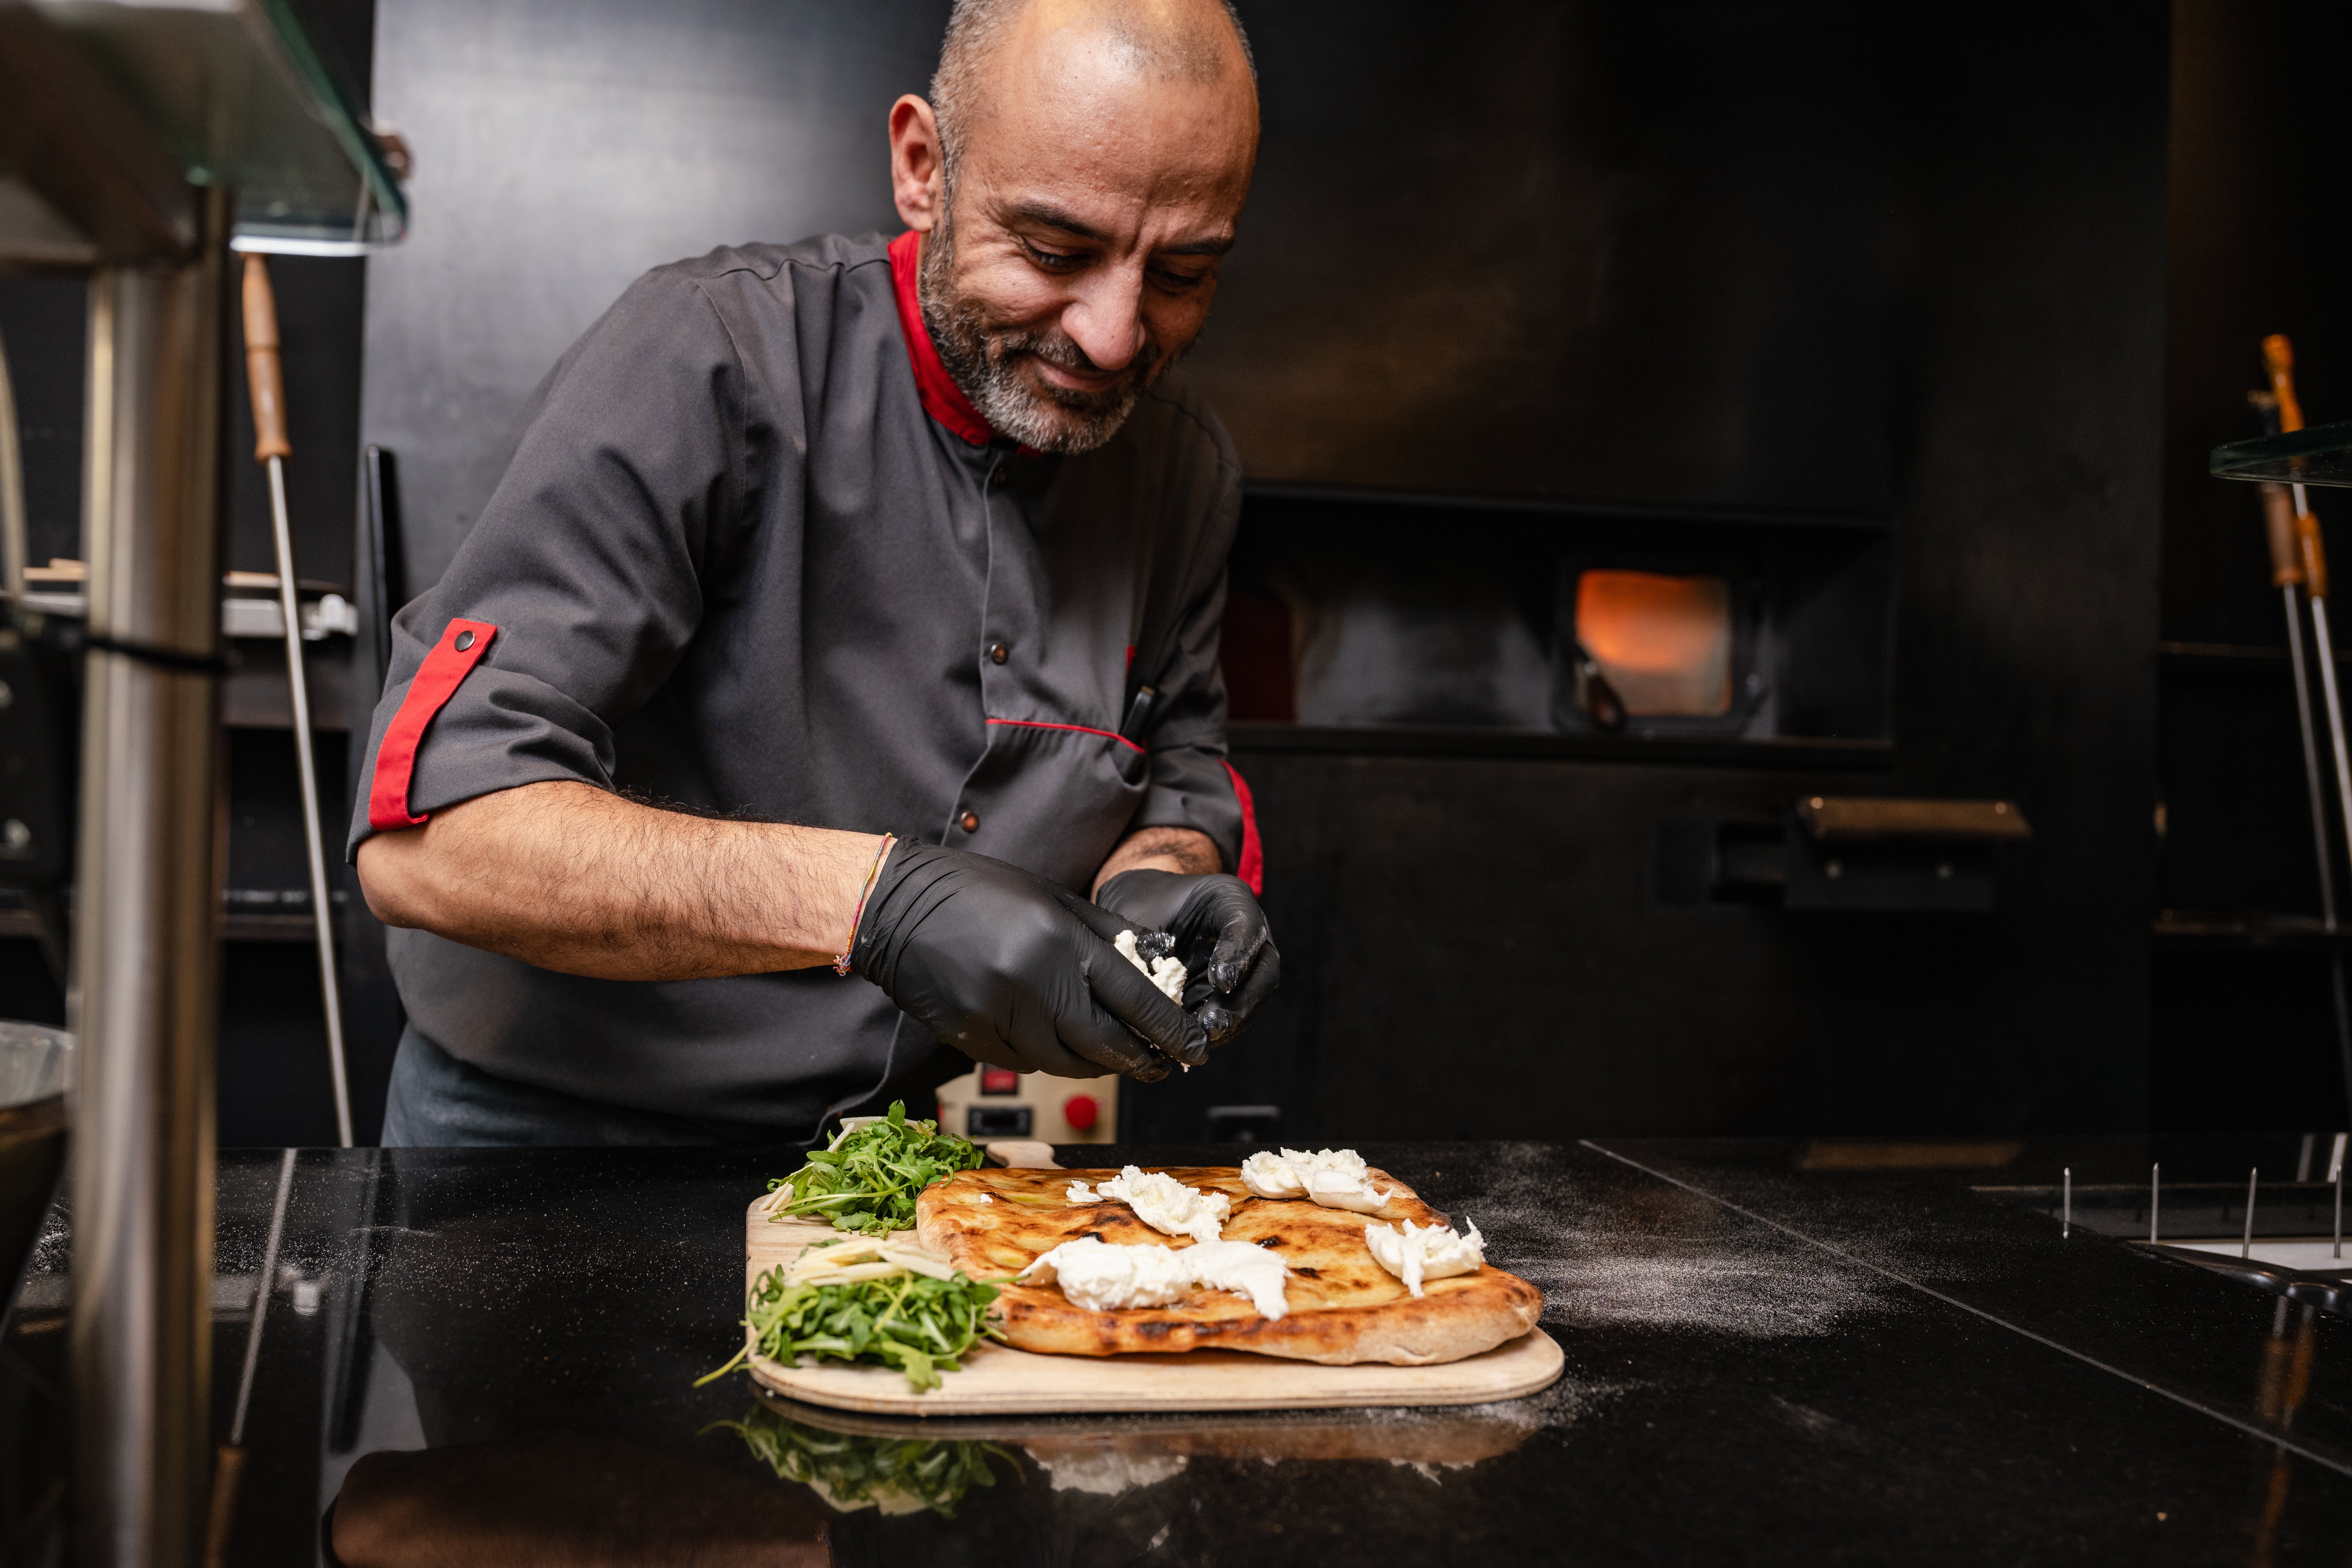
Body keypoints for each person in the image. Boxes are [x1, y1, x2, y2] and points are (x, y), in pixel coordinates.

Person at [350, 0, 1278, 1146]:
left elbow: (1178, 770)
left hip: (881, 1152)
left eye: (1183, 272)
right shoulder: (708, 361)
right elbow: (434, 839)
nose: (1115, 336)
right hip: (547, 1140)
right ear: (923, 166)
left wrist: (1161, 878)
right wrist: (872, 900)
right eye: (1053, 251)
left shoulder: (1182, 470)